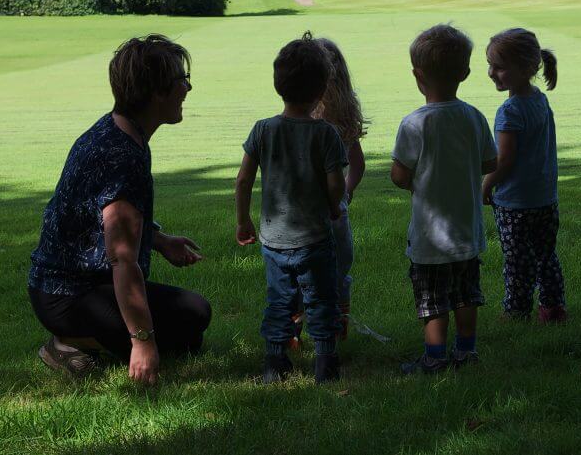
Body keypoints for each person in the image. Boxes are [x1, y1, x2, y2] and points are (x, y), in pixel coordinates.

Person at [28, 34, 211, 385]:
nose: (187, 88)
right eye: (181, 80)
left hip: (62, 288)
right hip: (68, 295)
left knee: (192, 323)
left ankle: (88, 337)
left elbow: (100, 217)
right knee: (188, 324)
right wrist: (143, 342)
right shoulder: (122, 156)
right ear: (156, 92)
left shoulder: (116, 131)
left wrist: (161, 241)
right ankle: (67, 342)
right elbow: (122, 258)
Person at [235, 33, 347, 384]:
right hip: (315, 238)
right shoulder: (326, 134)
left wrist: (243, 220)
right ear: (322, 89)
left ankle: (275, 363)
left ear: (278, 84)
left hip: (273, 240)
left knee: (279, 300)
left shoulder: (262, 130)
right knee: (321, 299)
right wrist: (334, 207)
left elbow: (243, 181)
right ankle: (325, 365)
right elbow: (335, 183)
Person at [391, 24, 497, 374]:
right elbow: (490, 163)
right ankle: (466, 352)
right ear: (465, 73)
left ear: (417, 76)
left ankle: (434, 357)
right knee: (466, 294)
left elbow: (399, 175)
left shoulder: (414, 123)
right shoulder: (473, 117)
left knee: (433, 299)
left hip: (429, 236)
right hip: (466, 229)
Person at [482, 28, 566, 323]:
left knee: (518, 261)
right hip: (545, 199)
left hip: (515, 203)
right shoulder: (539, 100)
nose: (492, 72)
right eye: (490, 65)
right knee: (545, 256)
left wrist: (486, 185)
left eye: (499, 67)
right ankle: (553, 308)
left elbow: (504, 160)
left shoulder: (510, 110)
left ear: (526, 68)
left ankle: (516, 312)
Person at [289, 37, 368, 348]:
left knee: (298, 269)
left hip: (306, 214)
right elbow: (357, 165)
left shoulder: (303, 118)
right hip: (335, 213)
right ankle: (334, 326)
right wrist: (345, 192)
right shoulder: (342, 117)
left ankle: (295, 331)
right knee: (337, 270)